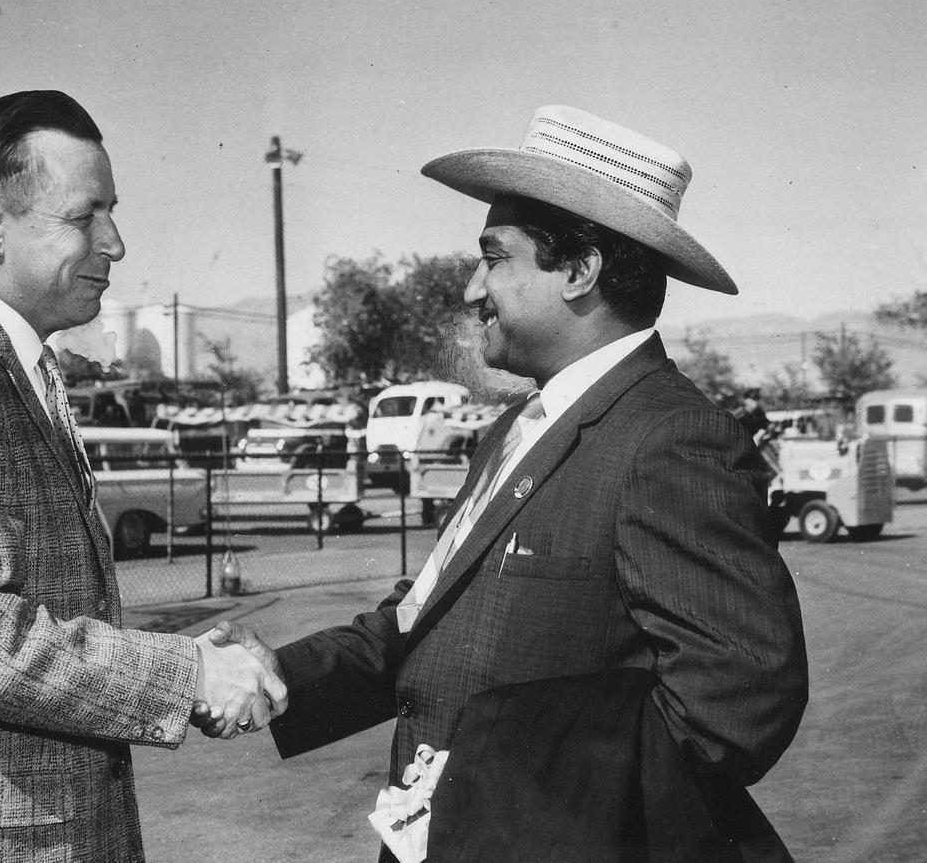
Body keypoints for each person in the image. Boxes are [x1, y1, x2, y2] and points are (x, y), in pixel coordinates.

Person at [196, 106, 808, 860]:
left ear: (580, 270)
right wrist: (280, 673)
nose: (469, 286)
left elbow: (739, 697)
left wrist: (518, 806)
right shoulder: (518, 427)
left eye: (495, 257)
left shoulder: (669, 437)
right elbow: (424, 621)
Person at [0, 90, 285, 862]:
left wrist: (193, 662)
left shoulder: (3, 360)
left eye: (112, 210)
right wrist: (187, 673)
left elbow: (28, 609)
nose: (116, 240)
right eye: (85, 216)